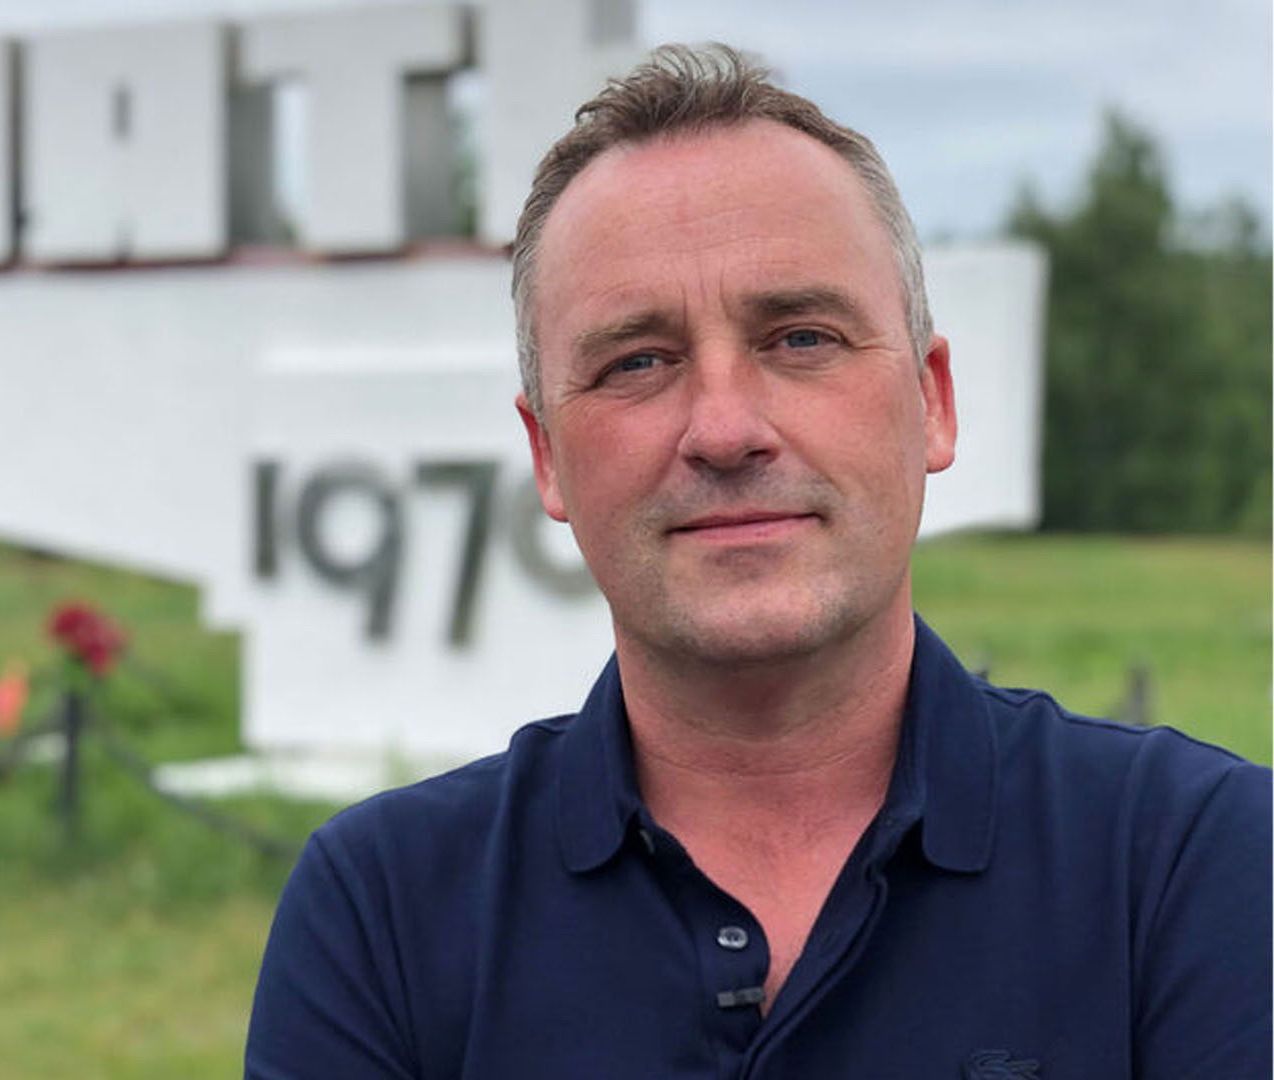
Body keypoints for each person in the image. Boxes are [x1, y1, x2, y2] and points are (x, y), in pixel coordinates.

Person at [245, 43, 1270, 1079]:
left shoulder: (1195, 862)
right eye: (638, 361)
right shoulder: (380, 913)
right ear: (547, 455)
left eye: (802, 339)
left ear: (932, 402)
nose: (726, 430)